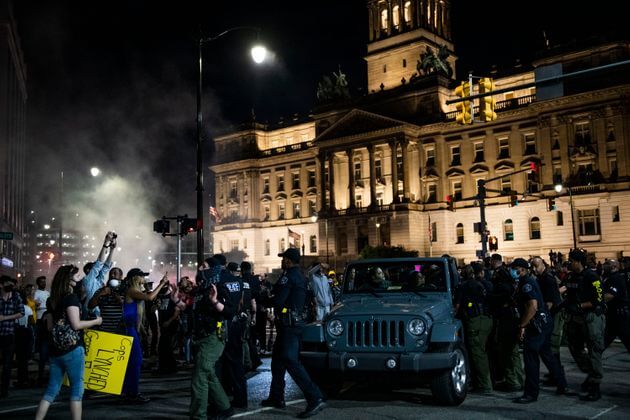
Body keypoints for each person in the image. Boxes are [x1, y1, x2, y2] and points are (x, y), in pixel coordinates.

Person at [261, 247, 326, 419]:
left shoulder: (288, 276)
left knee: (290, 360)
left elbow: (278, 300)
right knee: (277, 361)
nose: (282, 261)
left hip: (290, 325)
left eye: (283, 259)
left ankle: (314, 397)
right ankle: (277, 396)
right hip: (294, 323)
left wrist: (261, 298)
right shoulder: (301, 276)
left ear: (288, 261)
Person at [34, 265, 102, 420]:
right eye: (77, 276)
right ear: (69, 279)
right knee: (77, 391)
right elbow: (76, 325)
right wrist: (96, 321)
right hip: (72, 350)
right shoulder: (71, 298)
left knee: (51, 391)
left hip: (56, 350)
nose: (80, 279)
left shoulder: (53, 299)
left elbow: (51, 326)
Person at [510, 258, 568, 404]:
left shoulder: (526, 283)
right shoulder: (525, 281)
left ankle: (531, 393)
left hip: (537, 325)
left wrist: (522, 326)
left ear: (522, 269)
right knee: (547, 354)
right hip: (543, 323)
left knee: (530, 358)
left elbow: (532, 306)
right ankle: (562, 384)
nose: (513, 271)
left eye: (515, 268)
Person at [190, 257, 235, 420]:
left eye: (205, 266)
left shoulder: (219, 287)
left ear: (214, 269)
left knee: (199, 376)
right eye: (200, 266)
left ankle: (198, 416)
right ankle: (225, 407)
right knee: (208, 373)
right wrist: (179, 303)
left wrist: (215, 301)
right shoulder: (200, 290)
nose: (200, 269)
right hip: (200, 337)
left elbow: (230, 312)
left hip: (213, 337)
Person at [121, 269, 169, 403]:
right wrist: (161, 284)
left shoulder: (134, 291)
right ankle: (132, 393)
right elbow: (149, 298)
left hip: (131, 328)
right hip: (128, 329)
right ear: (136, 278)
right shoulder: (131, 290)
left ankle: (128, 391)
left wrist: (141, 329)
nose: (144, 278)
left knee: (133, 361)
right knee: (136, 361)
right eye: (142, 276)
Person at [564, 249, 606, 401]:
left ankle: (595, 386)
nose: (569, 263)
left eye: (571, 260)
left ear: (579, 262)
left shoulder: (592, 277)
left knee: (594, 350)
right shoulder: (572, 276)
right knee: (575, 347)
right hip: (576, 318)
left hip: (591, 317)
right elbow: (567, 291)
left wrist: (580, 306)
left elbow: (598, 300)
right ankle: (591, 373)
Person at [454, 263, 493, 394]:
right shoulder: (485, 284)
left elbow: (457, 307)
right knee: (482, 351)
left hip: (474, 321)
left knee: (477, 353)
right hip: (487, 319)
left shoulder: (463, 286)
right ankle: (482, 382)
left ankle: (485, 386)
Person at [487, 254, 523, 392]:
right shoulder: (505, 273)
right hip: (509, 314)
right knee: (512, 351)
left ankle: (512, 381)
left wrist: (491, 297)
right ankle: (519, 379)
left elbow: (505, 292)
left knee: (507, 350)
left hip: (506, 315)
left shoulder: (501, 274)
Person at [531, 257, 567, 384]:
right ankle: (555, 373)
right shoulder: (542, 277)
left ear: (543, 265)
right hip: (551, 313)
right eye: (533, 267)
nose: (534, 269)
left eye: (536, 266)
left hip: (555, 313)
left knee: (553, 346)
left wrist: (543, 317)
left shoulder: (548, 278)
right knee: (549, 346)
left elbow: (550, 303)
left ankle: (558, 375)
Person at [217, 259, 247, 409]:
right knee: (235, 361)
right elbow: (241, 302)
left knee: (222, 362)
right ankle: (240, 396)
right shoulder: (239, 282)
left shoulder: (219, 280)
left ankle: (223, 397)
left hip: (225, 323)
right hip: (236, 322)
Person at [0, 275, 24, 398]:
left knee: (7, 363)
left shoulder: (16, 296)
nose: (11, 285)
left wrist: (5, 318)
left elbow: (21, 313)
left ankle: (4, 390)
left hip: (9, 333)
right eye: (8, 283)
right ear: (1, 285)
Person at [602, 259, 629, 351]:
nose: (605, 266)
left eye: (608, 264)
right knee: (606, 338)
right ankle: (594, 357)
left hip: (619, 314)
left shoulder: (616, 278)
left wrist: (597, 300)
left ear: (614, 266)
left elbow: (610, 295)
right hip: (613, 313)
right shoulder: (608, 277)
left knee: (626, 336)